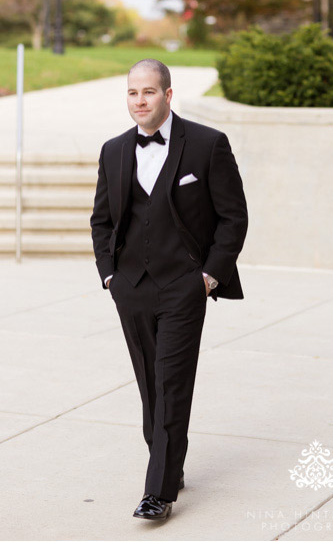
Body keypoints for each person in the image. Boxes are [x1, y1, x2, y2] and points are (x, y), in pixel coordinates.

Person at [91, 58, 248, 520]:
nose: (140, 101)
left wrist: (209, 276)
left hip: (184, 285)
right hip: (131, 287)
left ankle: (158, 491)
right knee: (149, 384)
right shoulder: (113, 150)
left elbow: (233, 217)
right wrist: (109, 275)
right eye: (132, 93)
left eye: (149, 92)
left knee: (172, 383)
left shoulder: (207, 145)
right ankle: (170, 462)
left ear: (169, 95)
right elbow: (102, 220)